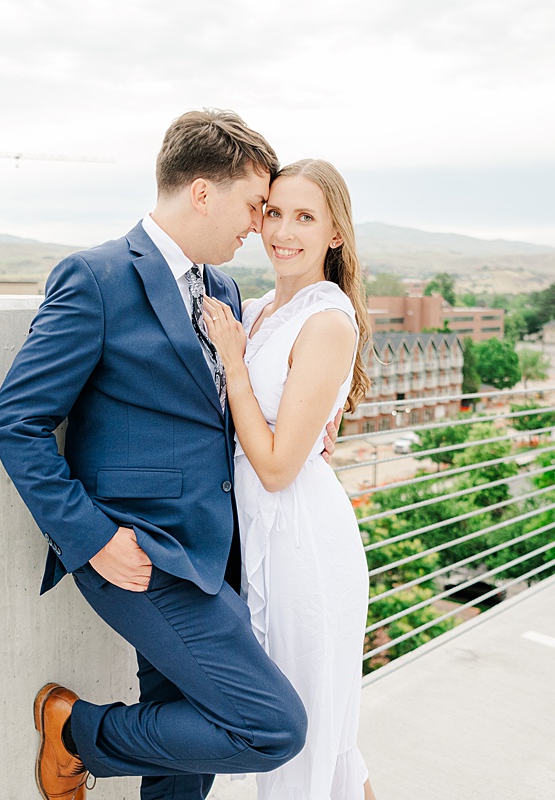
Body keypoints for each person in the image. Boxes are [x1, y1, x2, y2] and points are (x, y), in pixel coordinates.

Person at [0, 110, 335, 800]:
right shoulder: (96, 278)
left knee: (187, 765)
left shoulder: (223, 288)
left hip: (214, 553)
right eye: (254, 205)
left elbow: (215, 411)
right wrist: (91, 540)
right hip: (136, 555)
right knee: (271, 726)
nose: (259, 225)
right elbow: (16, 421)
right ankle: (76, 733)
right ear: (203, 192)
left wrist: (302, 427)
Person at [203, 158, 378, 800]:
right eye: (273, 211)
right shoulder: (251, 311)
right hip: (252, 535)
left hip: (302, 542)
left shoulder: (327, 322)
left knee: (310, 736)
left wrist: (236, 369)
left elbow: (277, 467)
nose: (283, 229)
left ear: (336, 233)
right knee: (296, 740)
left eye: (305, 216)